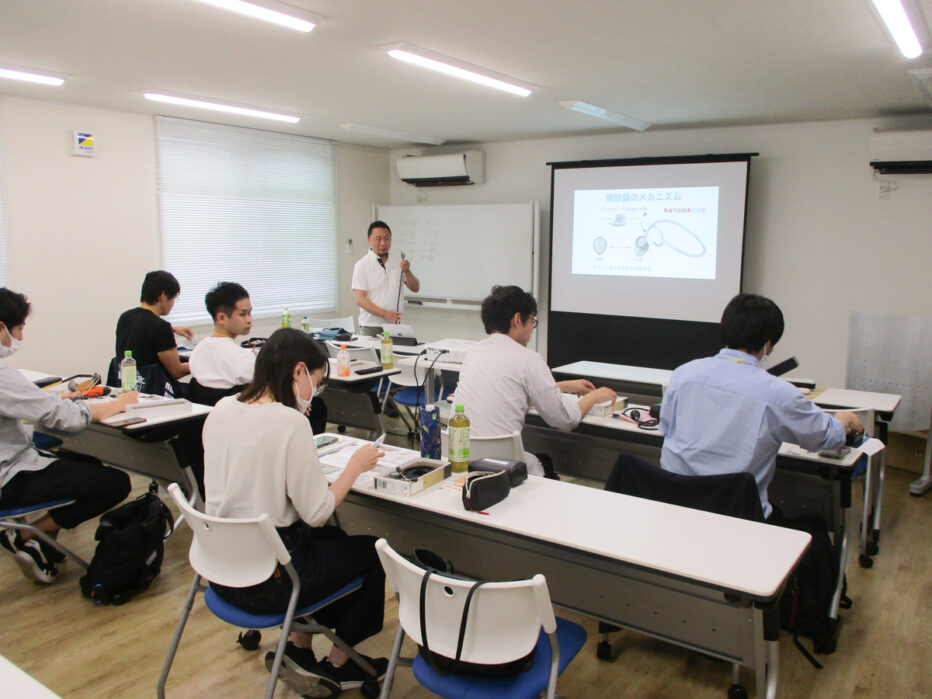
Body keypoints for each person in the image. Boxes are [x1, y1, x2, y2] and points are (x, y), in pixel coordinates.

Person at [202, 328, 388, 694]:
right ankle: (340, 663)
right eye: (315, 383)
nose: (313, 394)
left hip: (221, 571)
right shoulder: (290, 423)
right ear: (298, 371)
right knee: (372, 552)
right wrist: (354, 467)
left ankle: (299, 646)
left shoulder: (222, 408)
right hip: (269, 582)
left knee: (331, 538)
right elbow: (317, 511)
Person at [659, 293, 864, 520]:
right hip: (738, 517)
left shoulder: (684, 374)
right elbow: (825, 437)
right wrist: (844, 419)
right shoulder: (777, 393)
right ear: (768, 345)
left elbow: (665, 428)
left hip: (676, 509)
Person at [0, 288, 138, 584]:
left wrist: (53, 398)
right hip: (8, 478)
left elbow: (21, 401)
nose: (20, 337)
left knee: (88, 465)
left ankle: (43, 543)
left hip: (11, 464)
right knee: (115, 483)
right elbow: (67, 419)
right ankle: (26, 535)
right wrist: (116, 404)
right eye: (18, 329)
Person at [454, 285, 617, 478]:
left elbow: (509, 393)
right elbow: (564, 420)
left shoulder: (474, 352)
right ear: (517, 320)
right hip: (505, 470)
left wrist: (563, 386)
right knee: (544, 463)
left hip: (462, 463)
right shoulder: (528, 359)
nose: (532, 329)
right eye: (532, 320)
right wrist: (594, 397)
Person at [114, 270, 192, 390]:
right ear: (163, 296)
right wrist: (201, 363)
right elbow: (177, 371)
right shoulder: (161, 327)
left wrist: (173, 329)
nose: (173, 303)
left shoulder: (125, 317)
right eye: (174, 298)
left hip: (131, 389)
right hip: (157, 390)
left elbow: (144, 328)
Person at [351, 221, 420, 336]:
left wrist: (407, 272)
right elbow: (360, 299)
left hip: (396, 326)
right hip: (371, 326)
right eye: (378, 239)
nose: (383, 243)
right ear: (369, 240)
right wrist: (384, 314)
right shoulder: (362, 265)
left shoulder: (398, 262)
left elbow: (415, 288)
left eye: (387, 239)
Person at [188, 281, 256, 391]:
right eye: (243, 314)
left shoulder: (198, 351)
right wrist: (254, 360)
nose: (249, 320)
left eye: (250, 313)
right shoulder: (243, 358)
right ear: (222, 318)